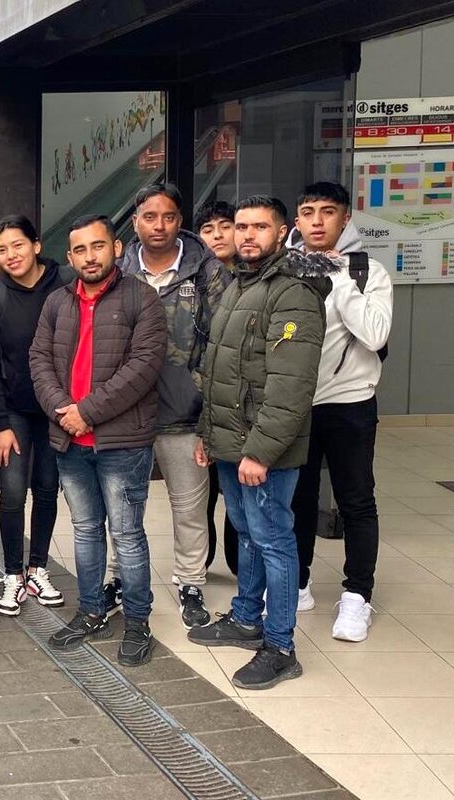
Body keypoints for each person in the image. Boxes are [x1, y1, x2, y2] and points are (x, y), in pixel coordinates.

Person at [189, 195, 331, 690]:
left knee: (274, 539)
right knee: (247, 532)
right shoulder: (238, 284)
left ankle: (280, 646)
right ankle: (247, 618)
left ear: (282, 232)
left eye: (259, 227)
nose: (247, 235)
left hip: (263, 450)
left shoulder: (293, 293)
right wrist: (208, 434)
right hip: (231, 441)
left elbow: (291, 387)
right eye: (241, 226)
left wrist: (261, 452)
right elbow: (219, 370)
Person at [31, 215, 166, 667]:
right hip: (70, 442)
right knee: (86, 530)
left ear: (116, 247)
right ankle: (91, 612)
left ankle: (138, 622)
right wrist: (63, 411)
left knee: (126, 534)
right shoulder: (57, 302)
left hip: (122, 444)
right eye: (80, 250)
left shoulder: (142, 299)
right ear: (70, 256)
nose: (90, 257)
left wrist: (86, 412)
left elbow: (143, 368)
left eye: (98, 246)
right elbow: (39, 361)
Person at [116, 183, 230, 629]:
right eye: (149, 217)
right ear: (135, 222)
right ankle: (119, 578)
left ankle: (190, 582)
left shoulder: (208, 272)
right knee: (124, 506)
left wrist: (211, 417)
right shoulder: (119, 271)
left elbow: (222, 347)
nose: (158, 226)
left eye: (168, 217)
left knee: (189, 508)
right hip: (127, 414)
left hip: (187, 414)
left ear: (180, 221)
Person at [286, 182, 392, 641]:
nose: (317, 221)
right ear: (296, 220)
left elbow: (374, 335)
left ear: (345, 218)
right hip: (297, 405)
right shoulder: (284, 269)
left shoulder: (369, 272)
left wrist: (340, 276)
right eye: (308, 211)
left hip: (350, 403)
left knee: (356, 500)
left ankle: (357, 596)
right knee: (298, 499)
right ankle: (298, 583)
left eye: (327, 212)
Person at [0, 215, 74, 616]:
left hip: (57, 410)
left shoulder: (66, 283)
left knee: (47, 488)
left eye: (18, 245)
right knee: (13, 492)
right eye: (1, 250)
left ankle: (38, 569)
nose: (10, 255)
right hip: (14, 411)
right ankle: (13, 573)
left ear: (36, 245)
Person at [195, 200, 240, 576]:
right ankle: (203, 559)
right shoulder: (195, 279)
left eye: (226, 226)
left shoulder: (252, 276)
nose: (218, 235)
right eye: (208, 230)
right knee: (204, 487)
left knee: (239, 487)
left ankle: (240, 561)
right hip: (202, 398)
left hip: (240, 400)